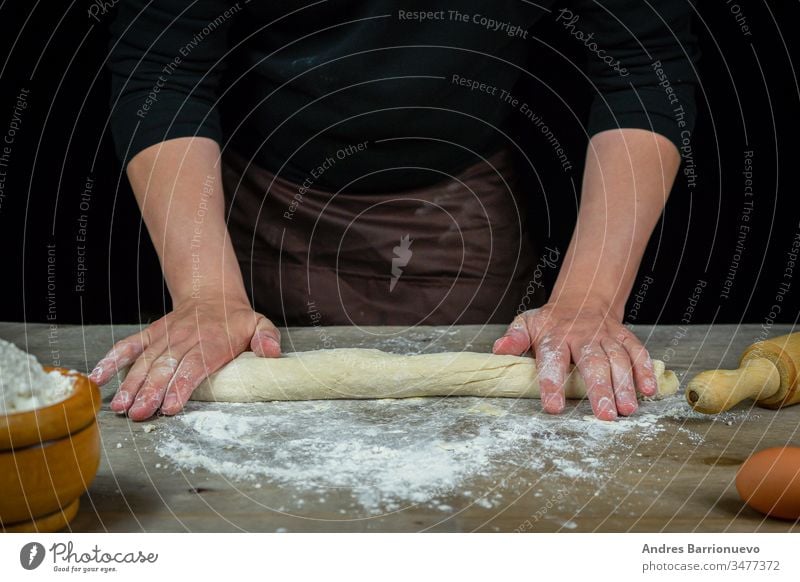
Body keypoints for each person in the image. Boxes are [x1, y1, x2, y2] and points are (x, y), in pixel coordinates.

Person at [91, 1, 698, 421]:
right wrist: (206, 293)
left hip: (461, 215)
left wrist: (591, 296)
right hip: (256, 210)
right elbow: (165, 62)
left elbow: (641, 59)